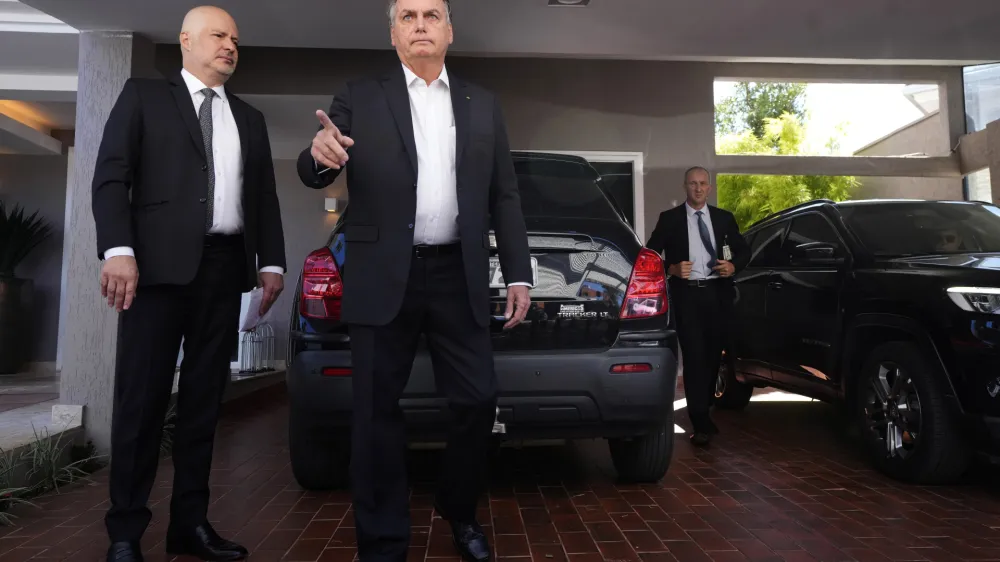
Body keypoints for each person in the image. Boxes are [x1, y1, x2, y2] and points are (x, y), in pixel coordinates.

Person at [297, 0, 532, 560]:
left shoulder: (482, 103)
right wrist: (321, 155)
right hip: (383, 274)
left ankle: (459, 508)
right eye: (408, 16)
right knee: (375, 410)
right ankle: (382, 540)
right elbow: (315, 168)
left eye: (432, 14)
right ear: (393, 33)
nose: (421, 24)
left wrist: (519, 274)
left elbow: (505, 194)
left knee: (478, 401)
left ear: (449, 29)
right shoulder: (360, 95)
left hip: (460, 271)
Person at [92, 6, 286, 562]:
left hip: (224, 271)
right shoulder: (143, 97)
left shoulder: (249, 118)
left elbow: (265, 198)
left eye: (235, 40)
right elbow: (110, 177)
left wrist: (271, 262)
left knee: (204, 405)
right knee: (142, 404)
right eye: (219, 36)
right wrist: (119, 250)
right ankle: (125, 533)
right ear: (185, 40)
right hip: (152, 272)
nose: (230, 46)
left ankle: (190, 526)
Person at [645, 167, 749, 447]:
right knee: (694, 355)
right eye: (693, 184)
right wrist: (672, 268)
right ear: (685, 187)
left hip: (717, 294)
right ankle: (700, 419)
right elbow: (650, 254)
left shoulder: (724, 219)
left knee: (714, 355)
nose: (698, 188)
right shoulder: (670, 219)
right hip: (687, 296)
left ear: (710, 188)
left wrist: (733, 265)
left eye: (703, 184)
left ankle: (704, 410)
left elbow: (744, 250)